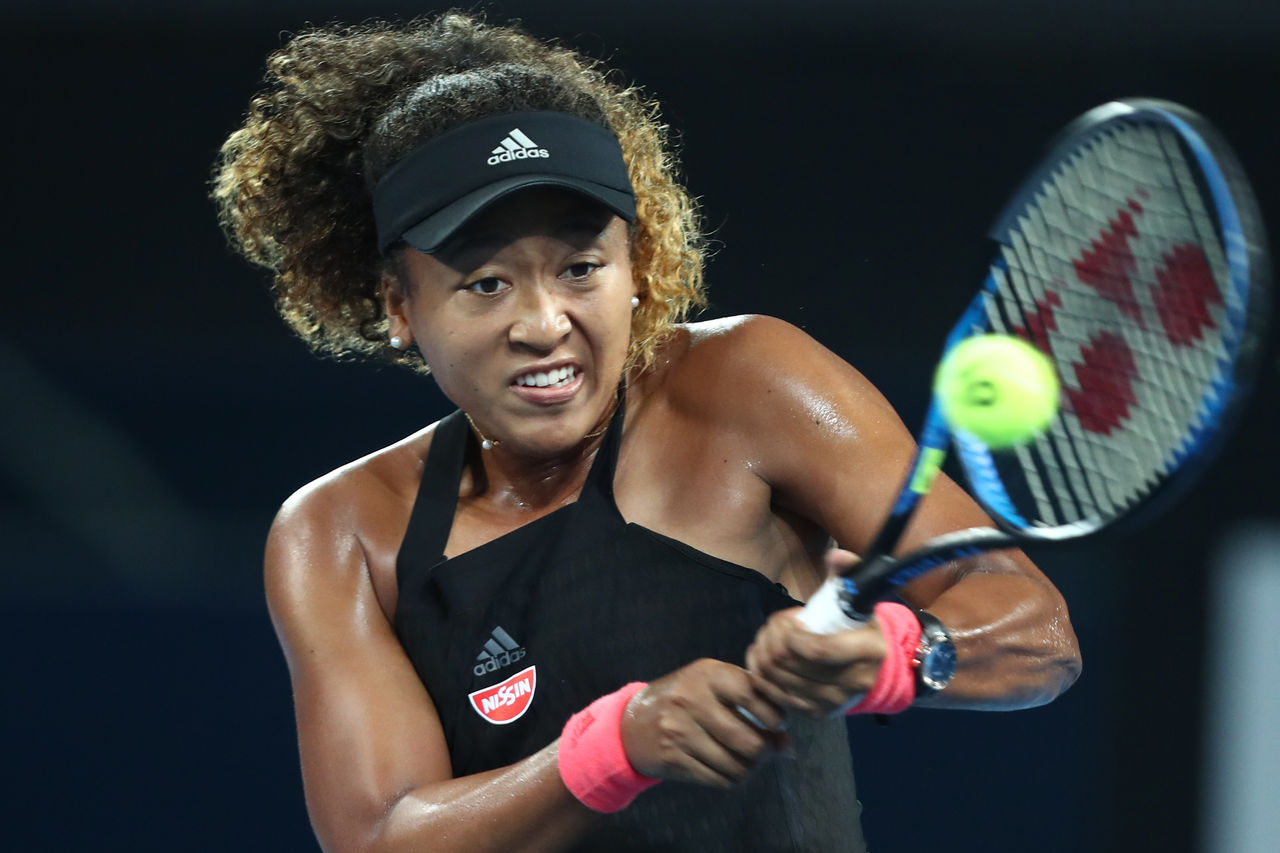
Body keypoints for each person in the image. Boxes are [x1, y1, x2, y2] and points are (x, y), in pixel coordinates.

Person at [214, 13, 1081, 853]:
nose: (544, 322)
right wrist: (614, 747)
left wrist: (897, 655)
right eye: (485, 284)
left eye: (581, 266)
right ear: (400, 307)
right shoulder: (340, 530)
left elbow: (1035, 630)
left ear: (639, 264)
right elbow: (380, 835)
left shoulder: (750, 382)